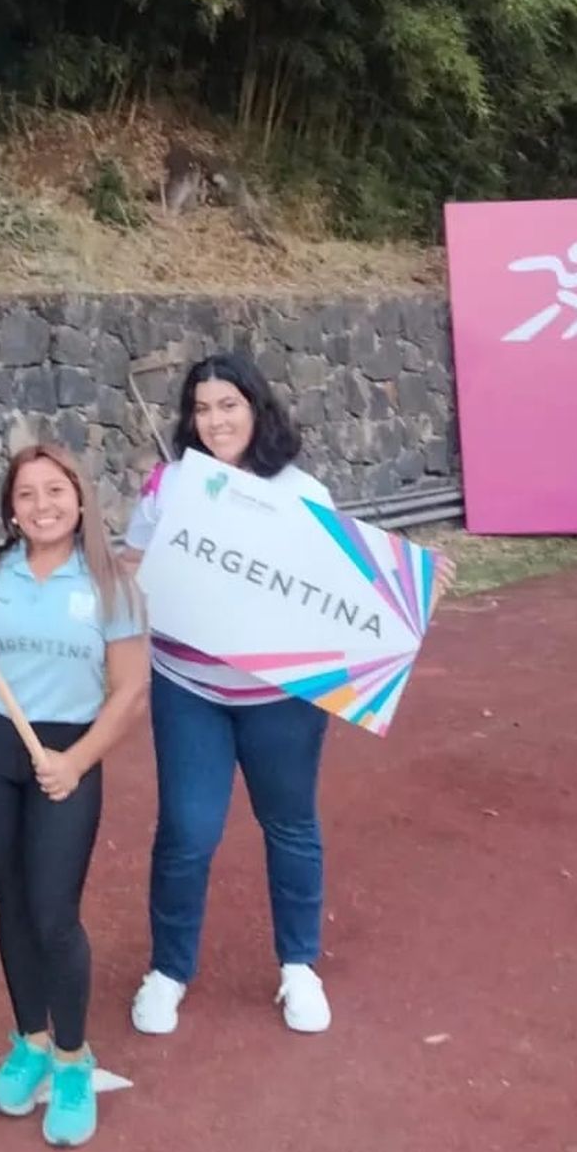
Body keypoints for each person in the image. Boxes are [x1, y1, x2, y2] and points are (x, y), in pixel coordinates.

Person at [123, 352, 453, 1038]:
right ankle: (168, 971)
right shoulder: (168, 485)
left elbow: (339, 593)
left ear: (255, 408)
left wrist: (415, 596)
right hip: (189, 688)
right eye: (202, 409)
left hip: (281, 699)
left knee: (290, 823)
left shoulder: (302, 493)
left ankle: (298, 967)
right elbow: (133, 566)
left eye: (228, 406)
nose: (214, 421)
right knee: (187, 831)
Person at [0, 443, 147, 1148]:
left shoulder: (111, 584)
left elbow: (131, 691)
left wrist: (76, 764)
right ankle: (32, 1042)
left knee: (54, 912)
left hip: (65, 754)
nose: (42, 506)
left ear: (79, 499)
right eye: (26, 495)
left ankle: (73, 1061)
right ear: (11, 509)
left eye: (55, 491)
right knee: (11, 900)